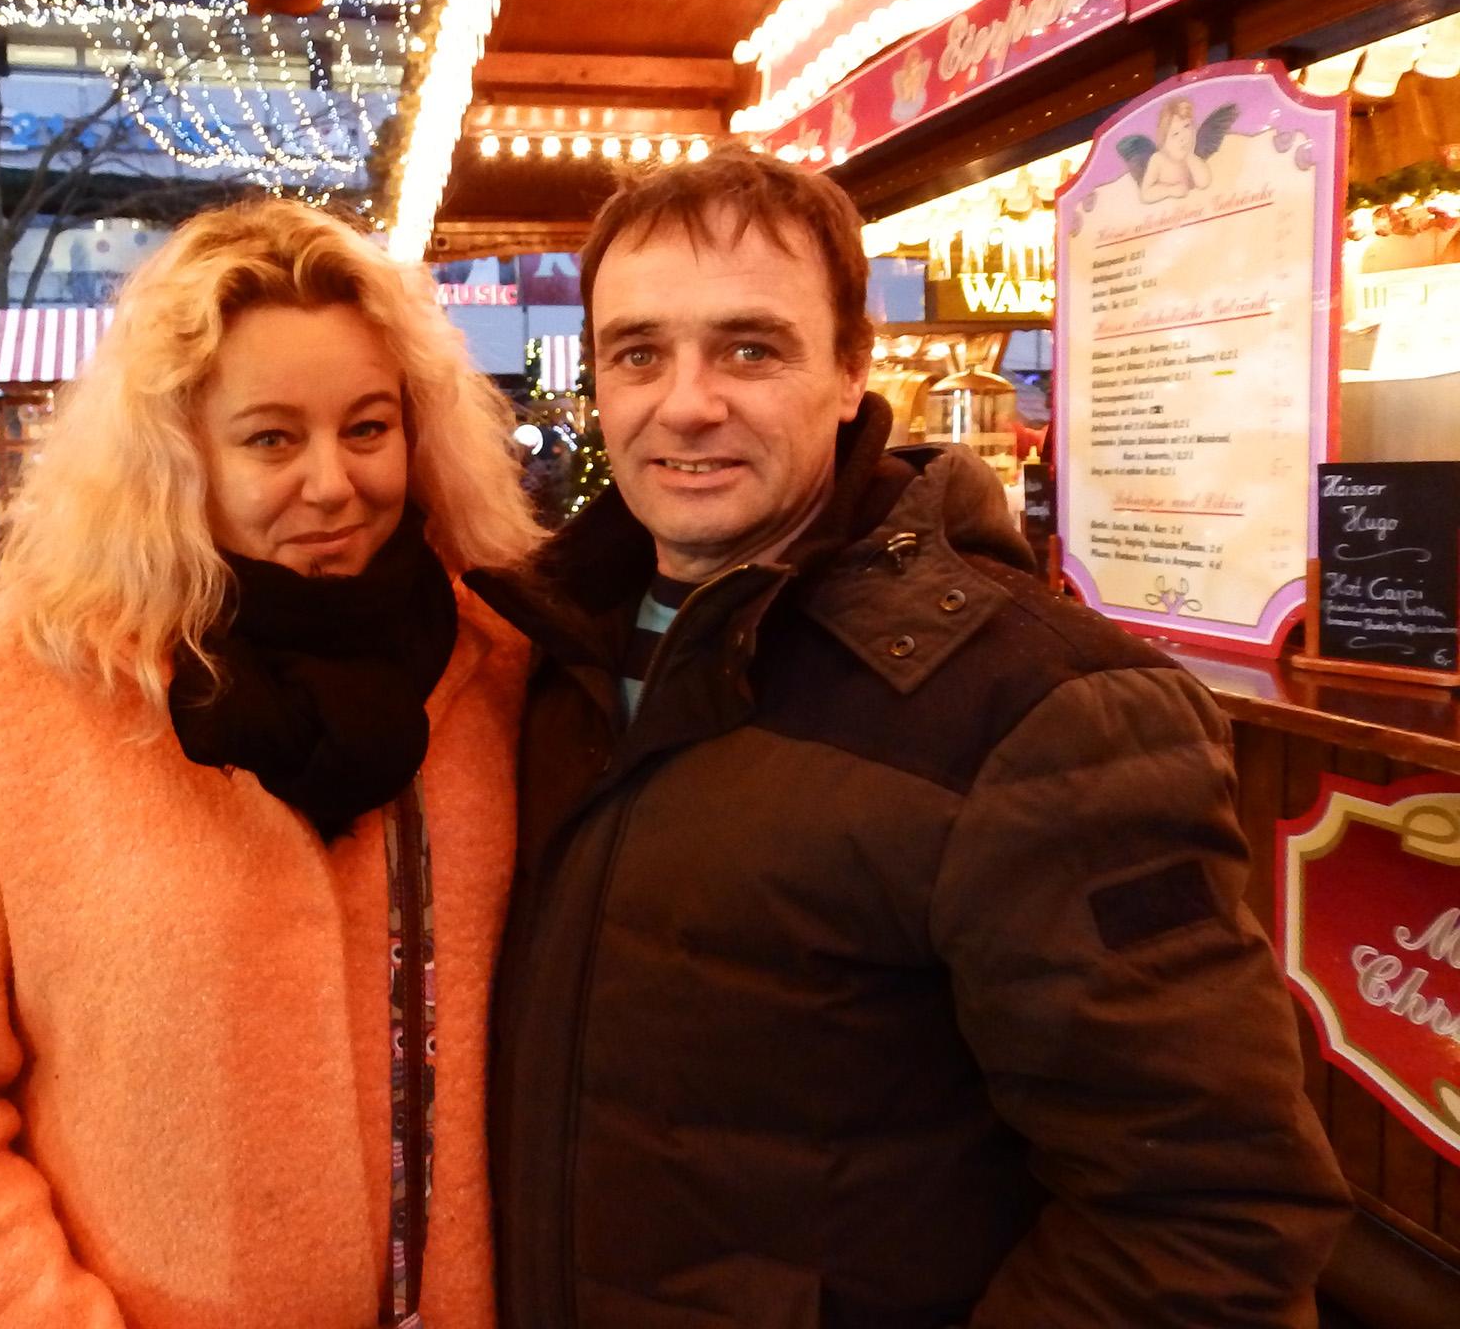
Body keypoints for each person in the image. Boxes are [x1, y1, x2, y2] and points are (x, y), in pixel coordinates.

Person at [467, 146, 1351, 1329]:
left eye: (748, 348)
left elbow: (1207, 1220)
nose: (684, 401)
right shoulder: (537, 659)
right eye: (638, 353)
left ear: (847, 372)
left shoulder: (1045, 712)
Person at [0, 201, 541, 1329]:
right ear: (174, 452)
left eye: (367, 427)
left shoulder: (497, 667)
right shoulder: (5, 685)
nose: (332, 483)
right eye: (269, 437)